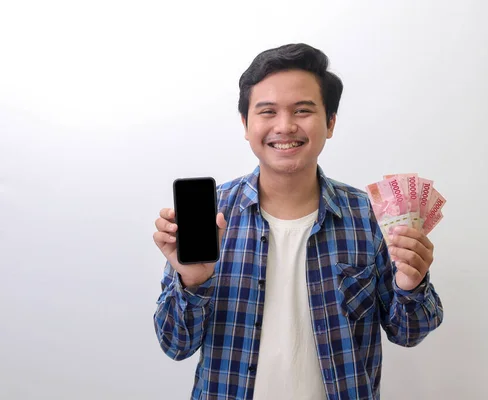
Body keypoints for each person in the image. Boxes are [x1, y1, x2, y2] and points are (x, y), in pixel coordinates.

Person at [152, 43, 443, 400]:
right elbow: (174, 344)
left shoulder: (369, 217)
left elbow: (408, 333)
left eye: (302, 110)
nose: (285, 126)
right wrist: (192, 282)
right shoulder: (210, 217)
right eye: (268, 111)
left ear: (330, 122)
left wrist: (411, 285)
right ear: (246, 124)